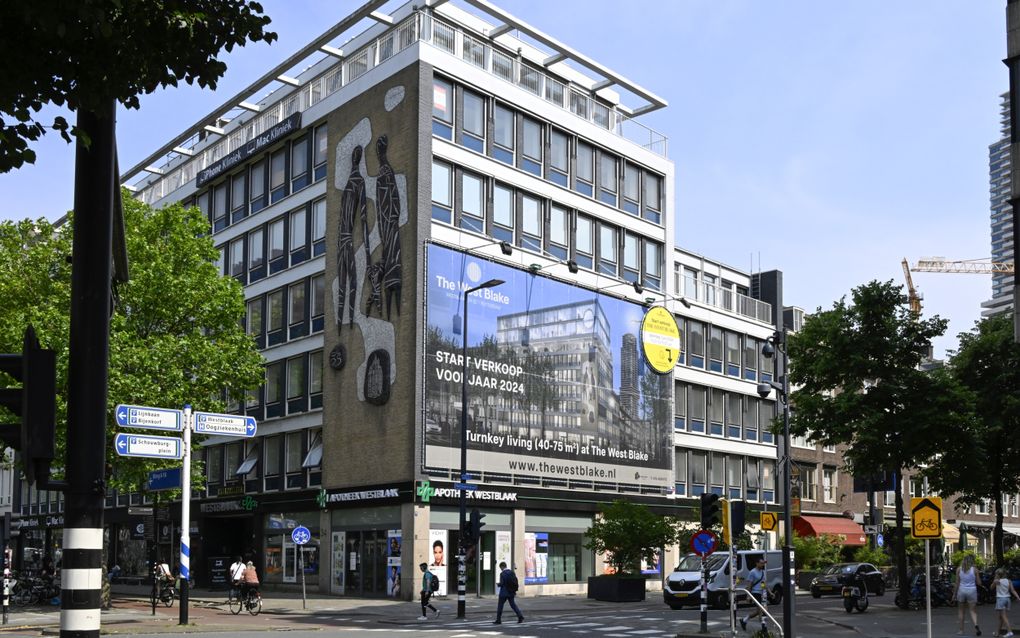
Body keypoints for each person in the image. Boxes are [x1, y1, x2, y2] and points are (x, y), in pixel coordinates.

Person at [954, 554, 981, 636]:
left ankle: (961, 630)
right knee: (972, 611)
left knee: (961, 611)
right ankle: (976, 625)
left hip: (962, 590)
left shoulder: (959, 569)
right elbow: (979, 583)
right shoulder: (975, 570)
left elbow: (957, 583)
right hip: (972, 590)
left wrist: (954, 593)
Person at [738, 557, 767, 632]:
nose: (762, 564)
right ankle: (764, 628)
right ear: (757, 563)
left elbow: (763, 584)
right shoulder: (752, 572)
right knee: (763, 610)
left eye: (763, 563)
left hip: (762, 593)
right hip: (755, 593)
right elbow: (749, 584)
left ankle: (744, 620)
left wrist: (769, 592)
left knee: (758, 611)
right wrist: (748, 596)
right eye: (761, 563)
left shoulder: (763, 572)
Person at [994, 567, 1020, 637]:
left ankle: (1009, 631)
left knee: (1003, 616)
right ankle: (997, 632)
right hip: (1007, 599)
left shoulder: (997, 581)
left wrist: (994, 581)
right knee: (1001, 617)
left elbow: (991, 587)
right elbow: (1013, 590)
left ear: (998, 575)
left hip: (1001, 599)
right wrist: (1018, 597)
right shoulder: (1009, 581)